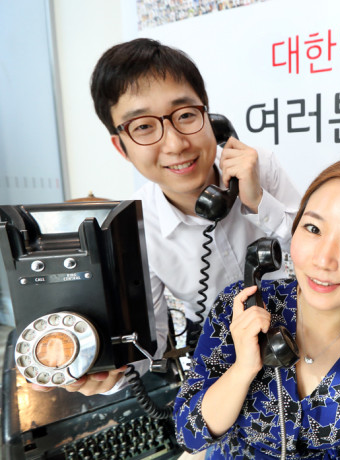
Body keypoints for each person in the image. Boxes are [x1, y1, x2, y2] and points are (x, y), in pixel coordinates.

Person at [34, 38, 301, 396]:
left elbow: (318, 254)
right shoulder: (134, 225)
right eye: (143, 127)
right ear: (121, 146)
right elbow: (152, 340)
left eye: (186, 115)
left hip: (299, 329)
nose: (175, 144)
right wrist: (111, 372)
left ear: (211, 119)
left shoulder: (259, 167)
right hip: (222, 353)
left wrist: (258, 202)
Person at [174, 156, 340, 459]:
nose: (323, 260)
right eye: (313, 228)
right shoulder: (239, 306)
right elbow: (189, 435)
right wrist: (243, 369)